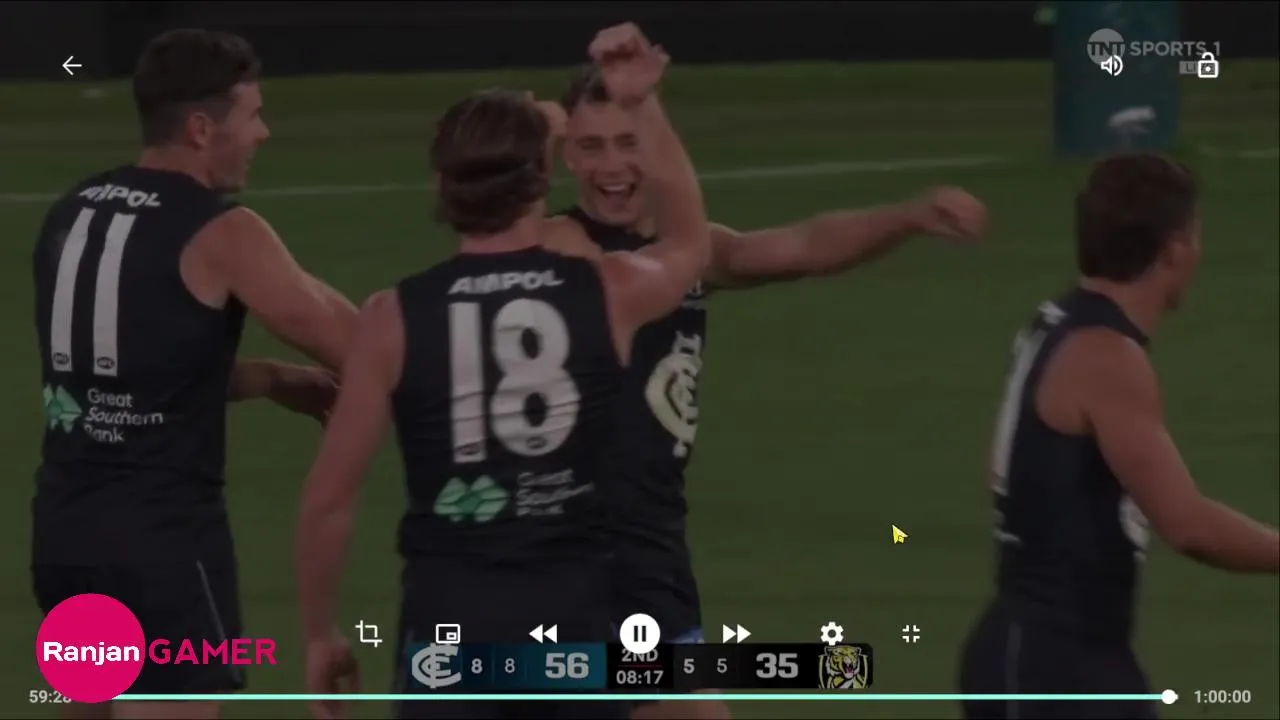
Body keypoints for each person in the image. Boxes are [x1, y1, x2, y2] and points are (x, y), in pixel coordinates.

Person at [295, 24, 710, 720]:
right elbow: (690, 240)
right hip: (574, 625)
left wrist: (320, 633)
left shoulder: (393, 317)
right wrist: (643, 103)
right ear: (542, 179)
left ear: (443, 185)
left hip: (449, 628)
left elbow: (329, 500)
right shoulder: (607, 291)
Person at [552, 64, 987, 719]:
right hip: (579, 543)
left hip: (652, 544)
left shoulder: (687, 254)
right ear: (566, 157)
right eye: (591, 146)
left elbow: (802, 246)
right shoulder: (555, 251)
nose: (611, 165)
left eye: (627, 141)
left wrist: (908, 215)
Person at [31, 28, 358, 720]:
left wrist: (269, 378)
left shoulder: (73, 211)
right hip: (164, 544)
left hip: (67, 529)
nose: (264, 133)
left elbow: (129, 374)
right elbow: (355, 347)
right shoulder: (223, 232)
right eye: (253, 115)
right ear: (202, 129)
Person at [958, 153, 1280, 720]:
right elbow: (1189, 525)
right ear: (1174, 249)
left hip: (1054, 653)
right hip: (1053, 668)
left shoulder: (1055, 322)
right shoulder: (1107, 357)